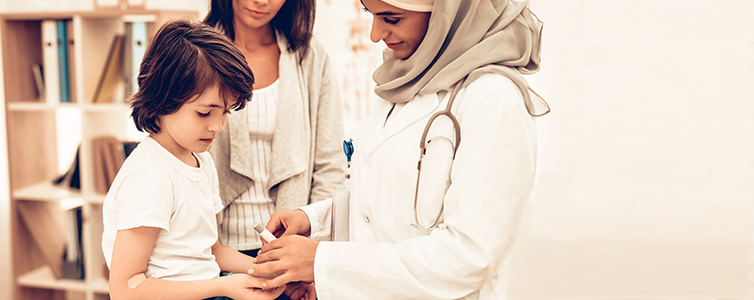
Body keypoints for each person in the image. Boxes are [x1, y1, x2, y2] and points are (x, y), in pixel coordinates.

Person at [249, 0, 550, 299]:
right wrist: (313, 222)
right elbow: (388, 199)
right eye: (372, 15)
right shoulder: (404, 83)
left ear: (446, 13)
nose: (375, 34)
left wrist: (322, 261)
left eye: (391, 18)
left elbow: (469, 258)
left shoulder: (493, 99)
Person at [100, 19, 285, 300]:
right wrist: (223, 286)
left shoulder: (200, 160)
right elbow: (125, 288)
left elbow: (212, 252)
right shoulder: (150, 175)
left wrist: (271, 272)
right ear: (164, 98)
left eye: (224, 112)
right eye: (204, 113)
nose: (217, 126)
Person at [204, 0, 346, 298]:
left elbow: (329, 165)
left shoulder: (311, 57)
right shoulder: (196, 53)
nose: (262, 1)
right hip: (211, 253)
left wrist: (313, 251)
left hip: (289, 257)